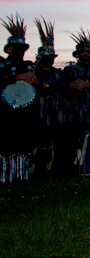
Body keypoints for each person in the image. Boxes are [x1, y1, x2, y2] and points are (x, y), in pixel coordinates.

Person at [61, 28, 90, 174]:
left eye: (88, 52)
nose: (86, 55)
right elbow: (62, 86)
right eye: (83, 52)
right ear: (77, 54)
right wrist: (71, 85)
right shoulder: (69, 70)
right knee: (75, 140)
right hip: (75, 112)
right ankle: (75, 169)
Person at [0, 14, 39, 182]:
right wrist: (16, 77)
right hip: (6, 113)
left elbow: (38, 89)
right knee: (6, 144)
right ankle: (4, 176)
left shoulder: (29, 65)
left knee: (24, 143)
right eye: (17, 48)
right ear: (8, 49)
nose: (21, 51)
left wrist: (36, 82)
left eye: (23, 48)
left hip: (25, 113)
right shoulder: (2, 64)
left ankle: (21, 175)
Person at [33, 17, 64, 177]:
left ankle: (52, 169)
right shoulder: (34, 72)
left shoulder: (57, 73)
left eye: (52, 58)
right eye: (48, 58)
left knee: (53, 142)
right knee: (39, 143)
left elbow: (62, 87)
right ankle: (37, 170)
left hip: (54, 113)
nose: (51, 60)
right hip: (38, 115)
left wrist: (50, 87)